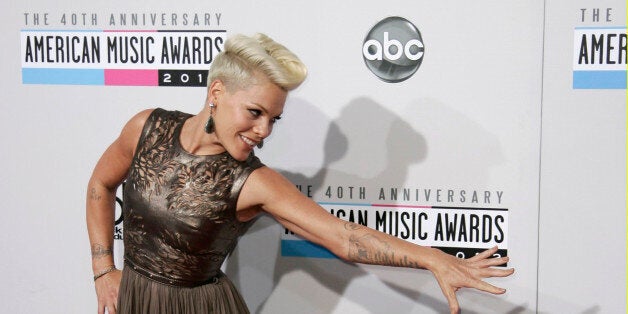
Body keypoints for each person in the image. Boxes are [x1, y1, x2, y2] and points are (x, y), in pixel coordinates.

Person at [86, 33, 514, 314]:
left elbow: (345, 238)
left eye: (274, 119)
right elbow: (101, 186)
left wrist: (434, 258)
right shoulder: (147, 127)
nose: (263, 131)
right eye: (255, 113)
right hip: (134, 298)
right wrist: (105, 269)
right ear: (216, 92)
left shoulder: (255, 181)